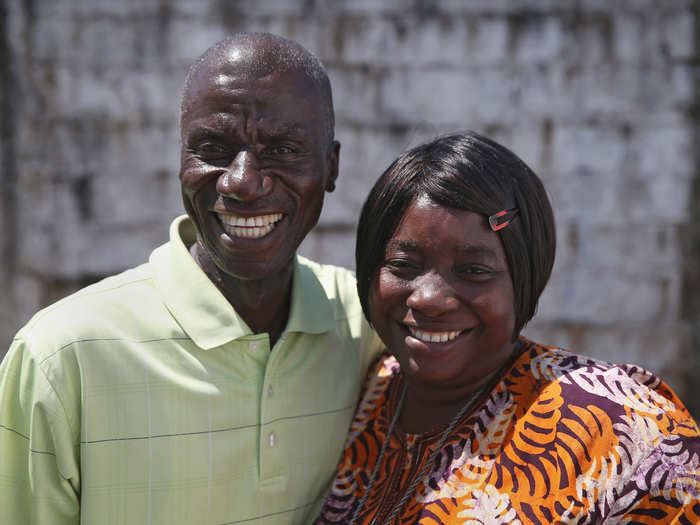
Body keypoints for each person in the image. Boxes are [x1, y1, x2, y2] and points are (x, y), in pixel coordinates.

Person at [0, 33, 380, 524]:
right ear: (181, 159)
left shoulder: (367, 325)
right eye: (214, 148)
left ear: (330, 166)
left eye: (283, 149)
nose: (242, 181)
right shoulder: (60, 357)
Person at [314, 131, 700, 524]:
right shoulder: (362, 395)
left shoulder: (620, 429)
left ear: (524, 279)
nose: (428, 297)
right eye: (403, 265)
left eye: (473, 271)